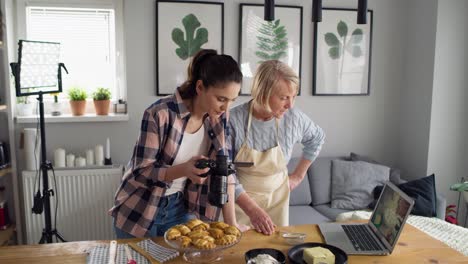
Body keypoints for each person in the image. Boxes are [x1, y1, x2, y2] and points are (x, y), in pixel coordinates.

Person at [110, 49, 243, 238]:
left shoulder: (220, 118)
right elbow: (141, 172)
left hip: (181, 209)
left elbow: (225, 172)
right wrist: (184, 169)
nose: (226, 107)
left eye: (232, 100)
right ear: (199, 87)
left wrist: (232, 225)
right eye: (221, 99)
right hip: (140, 210)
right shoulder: (159, 114)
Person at [229, 60, 325, 235]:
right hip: (239, 202)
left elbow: (317, 138)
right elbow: (224, 174)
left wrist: (297, 176)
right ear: (263, 93)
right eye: (284, 98)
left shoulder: (294, 118)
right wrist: (251, 209)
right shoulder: (233, 120)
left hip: (277, 200)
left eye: (293, 97)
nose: (290, 105)